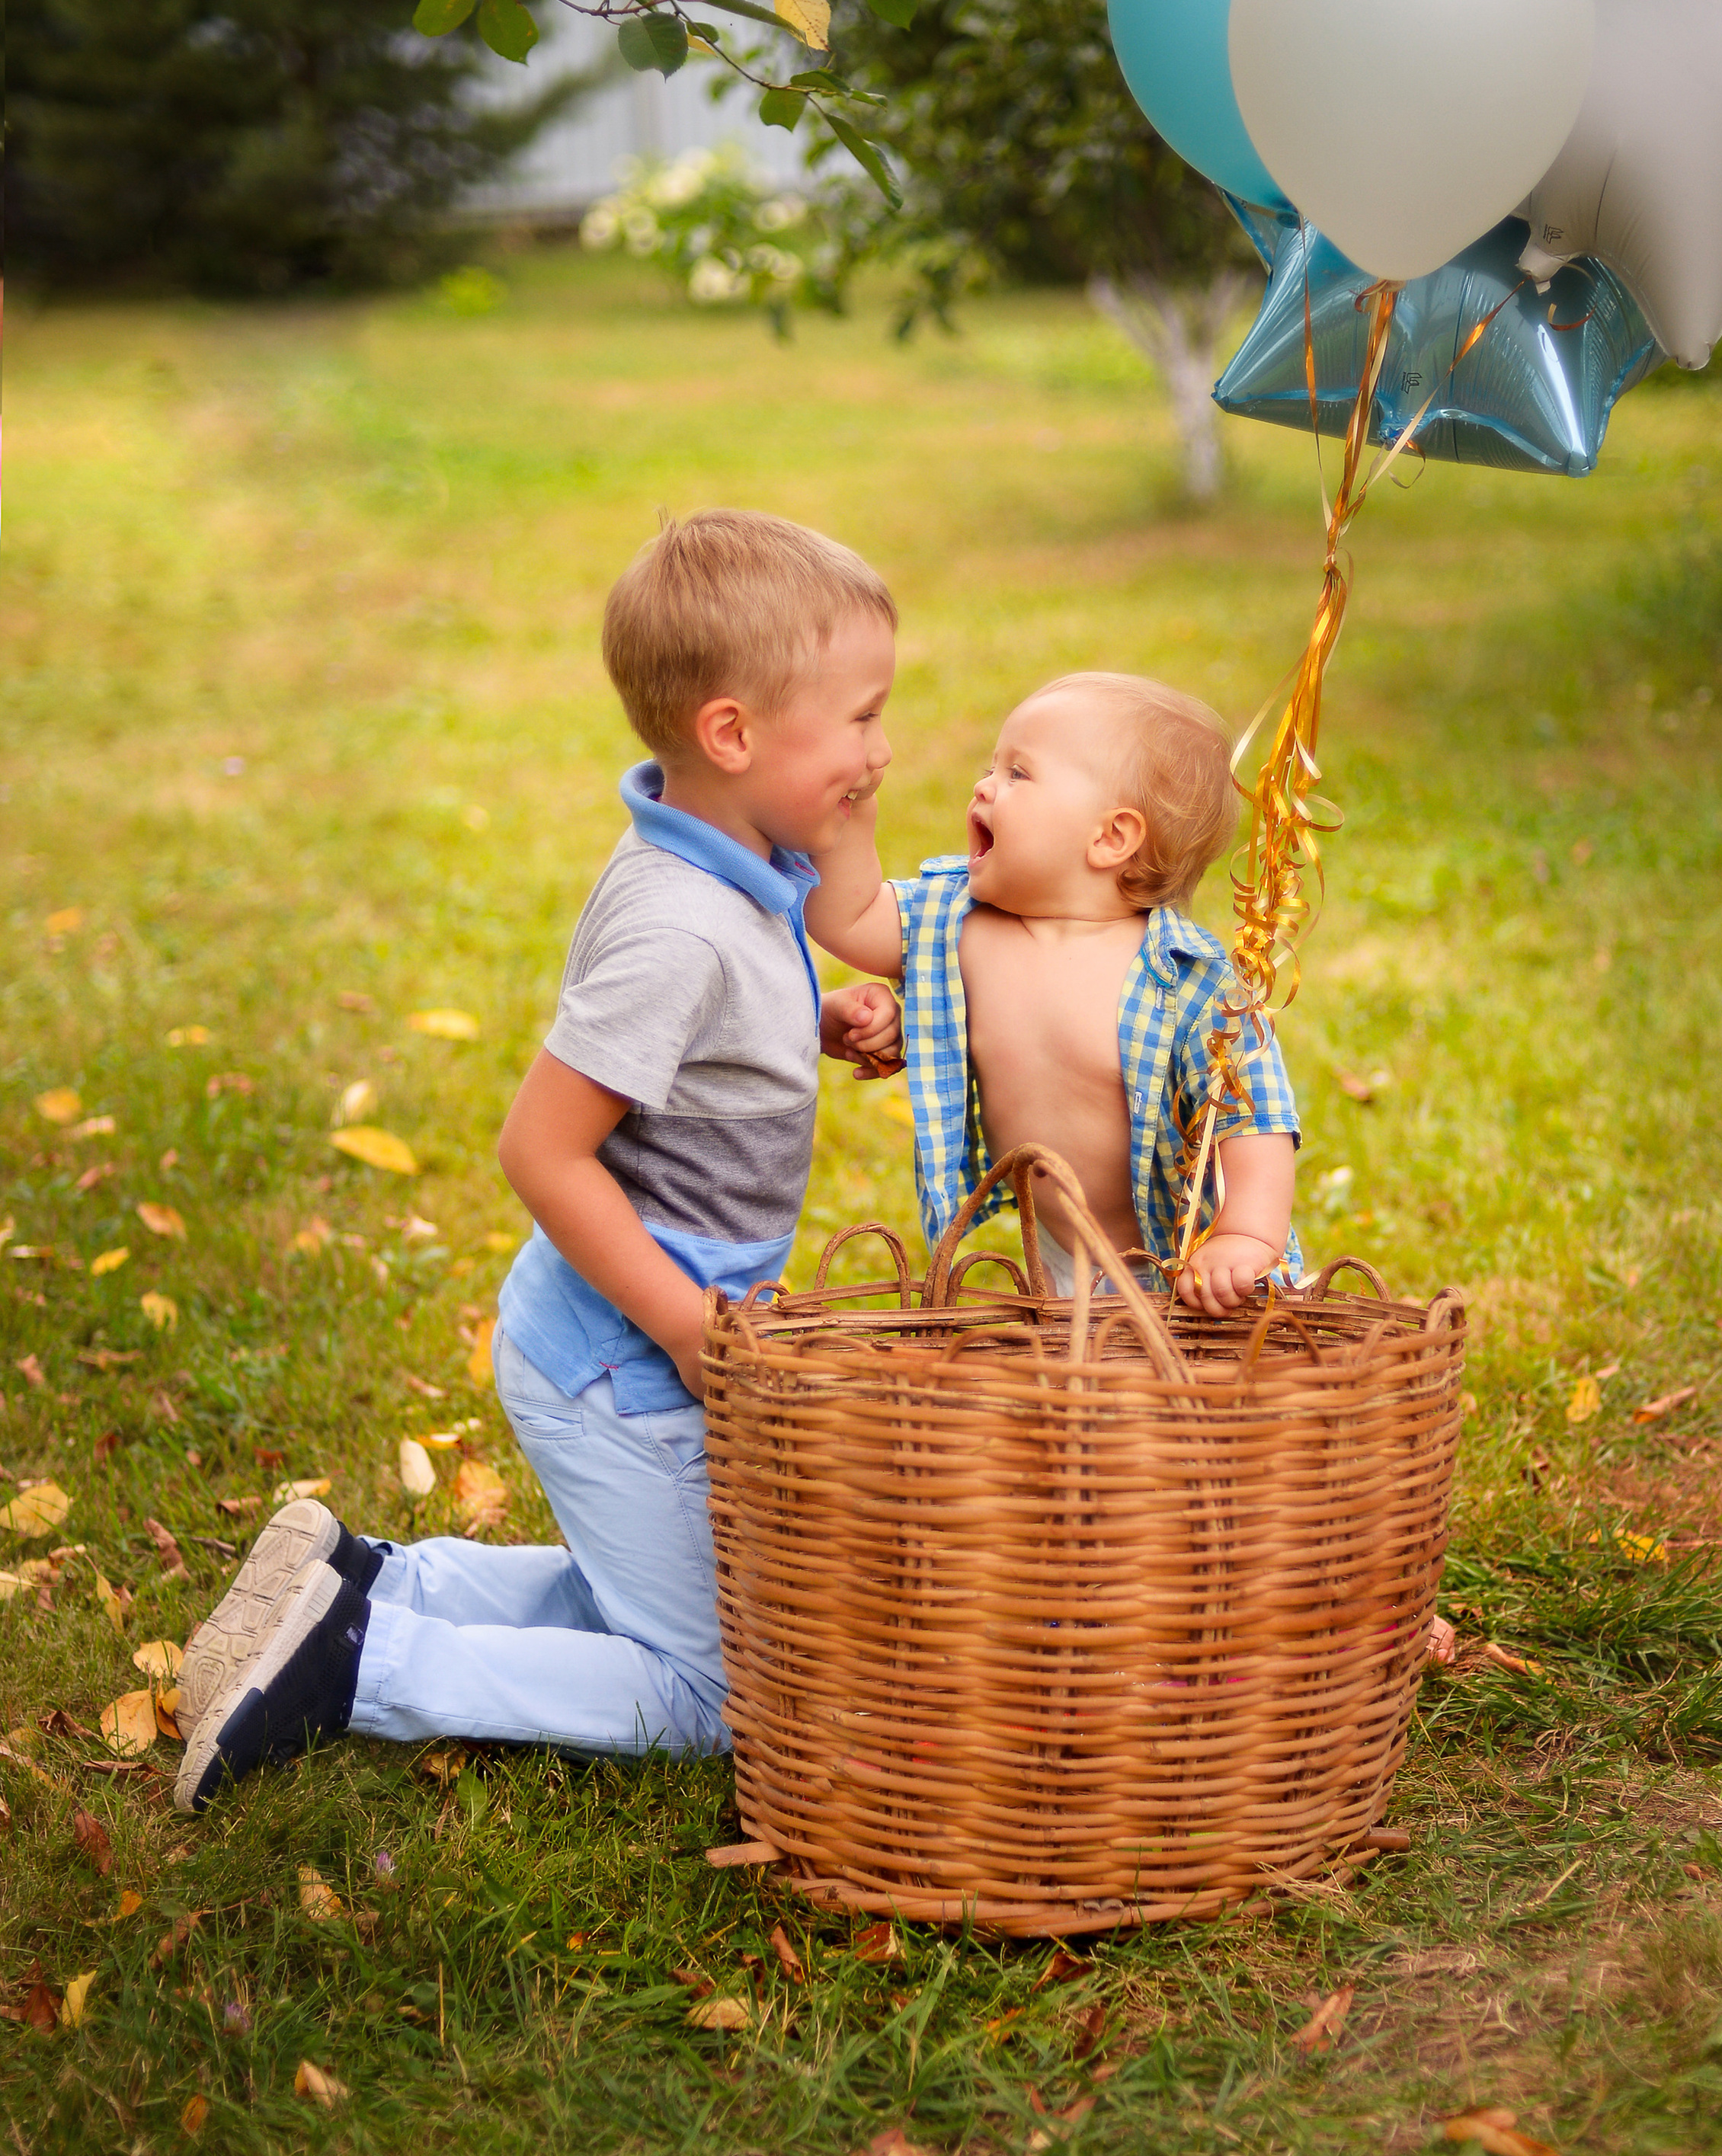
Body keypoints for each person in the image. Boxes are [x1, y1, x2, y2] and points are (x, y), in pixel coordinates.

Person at [174, 510, 902, 1812]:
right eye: (858, 720)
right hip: (621, 1359)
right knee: (718, 1694)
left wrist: (816, 1018)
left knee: (666, 1590)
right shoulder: (678, 924)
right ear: (733, 735)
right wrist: (687, 1329)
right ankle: (361, 1664)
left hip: (628, 1349)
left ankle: (374, 1576)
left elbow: (723, 1029)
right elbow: (542, 1149)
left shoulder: (741, 864)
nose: (880, 753)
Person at [803, 669, 1304, 1308]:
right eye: (992, 766)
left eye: (1018, 773)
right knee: (1082, 1402)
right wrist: (855, 799)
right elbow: (846, 917)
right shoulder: (960, 920)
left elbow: (1251, 1112)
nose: (984, 785)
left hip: (1193, 1268)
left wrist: (1244, 1236)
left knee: (1195, 1404)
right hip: (1068, 1267)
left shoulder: (1183, 977)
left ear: (1110, 837)